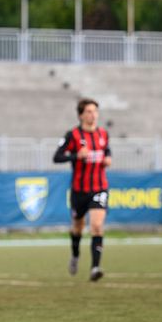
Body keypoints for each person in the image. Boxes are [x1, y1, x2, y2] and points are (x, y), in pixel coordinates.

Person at [53, 98, 111, 282]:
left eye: (95, 111)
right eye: (88, 111)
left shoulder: (103, 134)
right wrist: (76, 155)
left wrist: (108, 159)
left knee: (96, 226)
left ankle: (95, 267)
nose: (92, 115)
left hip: (99, 187)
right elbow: (57, 157)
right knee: (77, 227)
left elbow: (106, 151)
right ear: (80, 115)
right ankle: (75, 255)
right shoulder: (73, 136)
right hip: (79, 190)